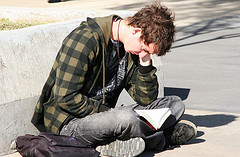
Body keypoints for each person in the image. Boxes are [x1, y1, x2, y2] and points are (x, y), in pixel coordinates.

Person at [31, 3, 197, 156]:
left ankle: (123, 138)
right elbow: (65, 98)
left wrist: (145, 64)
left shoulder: (130, 49)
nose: (143, 53)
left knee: (174, 104)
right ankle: (162, 138)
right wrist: (108, 113)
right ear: (136, 31)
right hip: (70, 123)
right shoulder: (84, 40)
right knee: (125, 118)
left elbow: (146, 99)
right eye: (144, 49)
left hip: (105, 117)